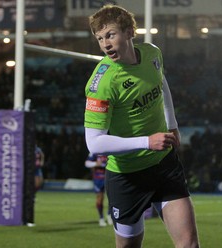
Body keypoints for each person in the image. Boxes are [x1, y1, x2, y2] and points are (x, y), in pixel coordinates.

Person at [84, 5, 199, 248]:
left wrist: (172, 124)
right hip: (127, 176)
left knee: (189, 244)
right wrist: (147, 141)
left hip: (164, 165)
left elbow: (161, 82)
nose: (105, 44)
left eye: (111, 34)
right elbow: (94, 143)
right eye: (100, 38)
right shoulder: (101, 83)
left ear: (128, 32)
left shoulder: (152, 54)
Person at [85, 153, 112, 227]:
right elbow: (87, 163)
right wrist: (95, 163)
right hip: (98, 179)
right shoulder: (95, 151)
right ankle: (101, 218)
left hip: (109, 177)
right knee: (100, 199)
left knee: (112, 197)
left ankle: (109, 215)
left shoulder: (110, 150)